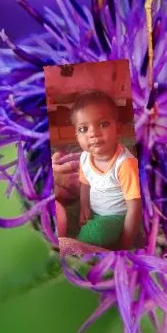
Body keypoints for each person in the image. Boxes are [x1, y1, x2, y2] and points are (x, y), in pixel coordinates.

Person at [72, 89, 142, 250]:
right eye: (83, 129)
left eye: (103, 124)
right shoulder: (84, 157)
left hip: (117, 217)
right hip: (95, 211)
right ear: (76, 136)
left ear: (118, 129)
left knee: (91, 236)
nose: (93, 133)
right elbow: (84, 184)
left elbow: (134, 206)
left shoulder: (125, 164)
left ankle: (78, 248)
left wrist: (126, 240)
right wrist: (84, 207)